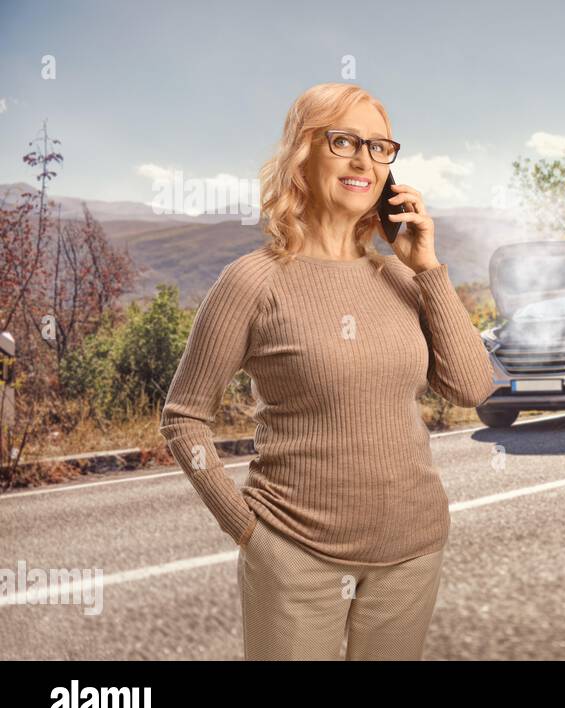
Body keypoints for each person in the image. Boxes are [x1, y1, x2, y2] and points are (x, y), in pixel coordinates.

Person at [158, 82, 497, 660]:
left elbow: (472, 387)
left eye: (380, 147)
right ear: (302, 153)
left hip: (412, 556)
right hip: (295, 557)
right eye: (344, 141)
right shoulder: (252, 281)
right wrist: (246, 530)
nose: (364, 159)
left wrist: (429, 267)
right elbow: (184, 417)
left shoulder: (403, 279)